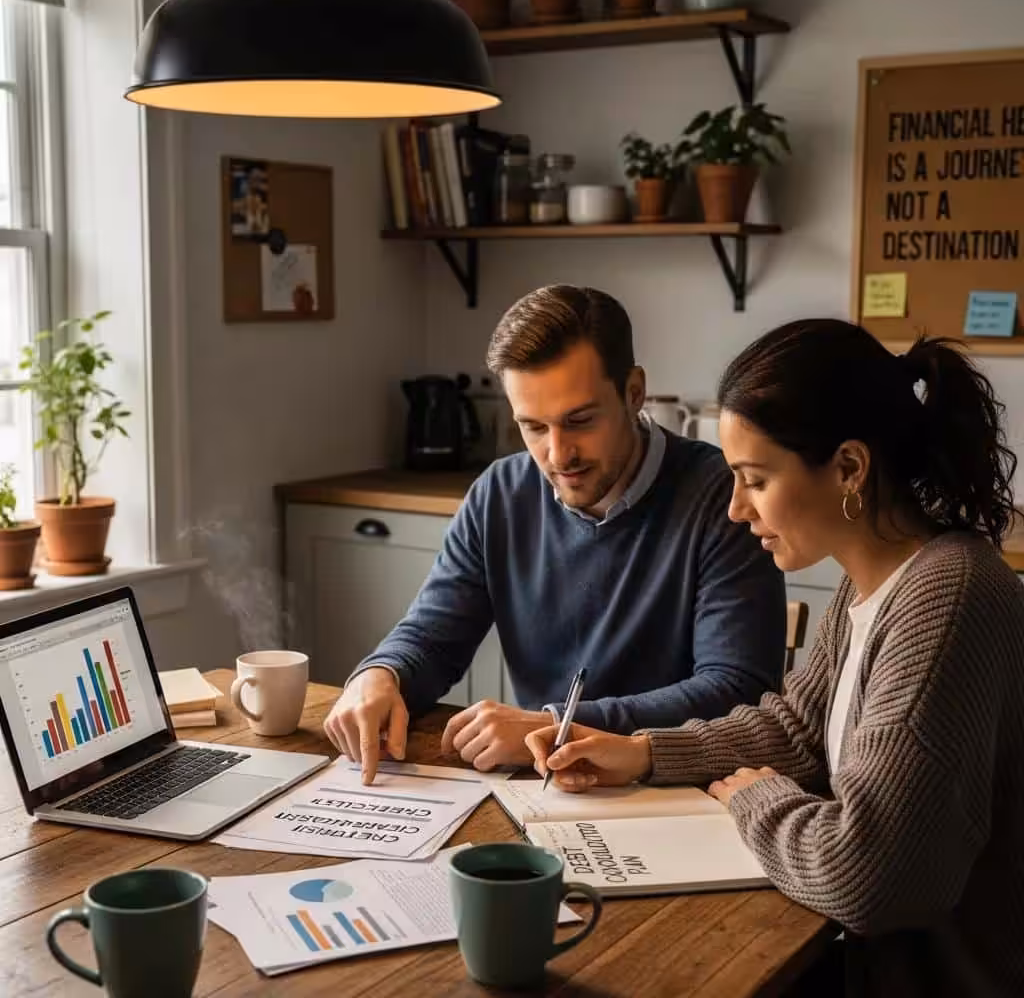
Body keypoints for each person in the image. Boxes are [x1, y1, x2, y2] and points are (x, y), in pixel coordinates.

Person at [526, 318, 1024, 997]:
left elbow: (866, 877)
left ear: (849, 467)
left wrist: (759, 799)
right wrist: (643, 752)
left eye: (754, 480)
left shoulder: (949, 597)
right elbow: (800, 728)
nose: (735, 509)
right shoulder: (879, 574)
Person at [323, 285, 785, 782]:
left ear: (633, 392)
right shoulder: (498, 494)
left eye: (580, 421)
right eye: (533, 427)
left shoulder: (724, 497)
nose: (558, 455)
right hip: (548, 784)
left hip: (686, 788)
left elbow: (737, 690)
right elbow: (433, 638)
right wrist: (379, 675)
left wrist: (556, 725)